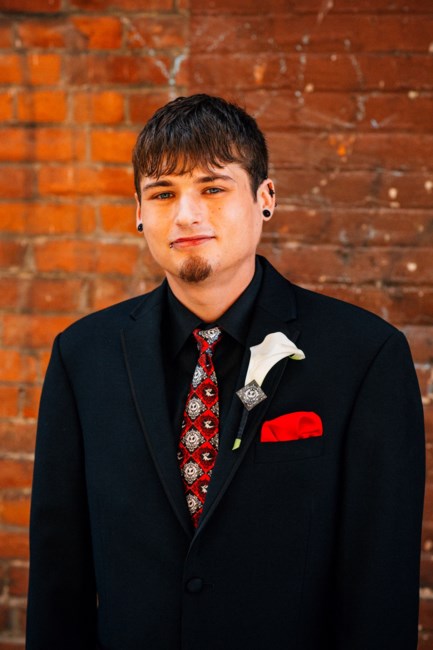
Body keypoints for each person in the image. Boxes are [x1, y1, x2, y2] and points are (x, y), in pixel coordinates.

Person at [26, 94, 425, 650]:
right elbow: (58, 575)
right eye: (163, 193)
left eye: (212, 188)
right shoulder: (82, 356)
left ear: (265, 198)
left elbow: (381, 583)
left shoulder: (365, 356)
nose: (186, 215)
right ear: (138, 211)